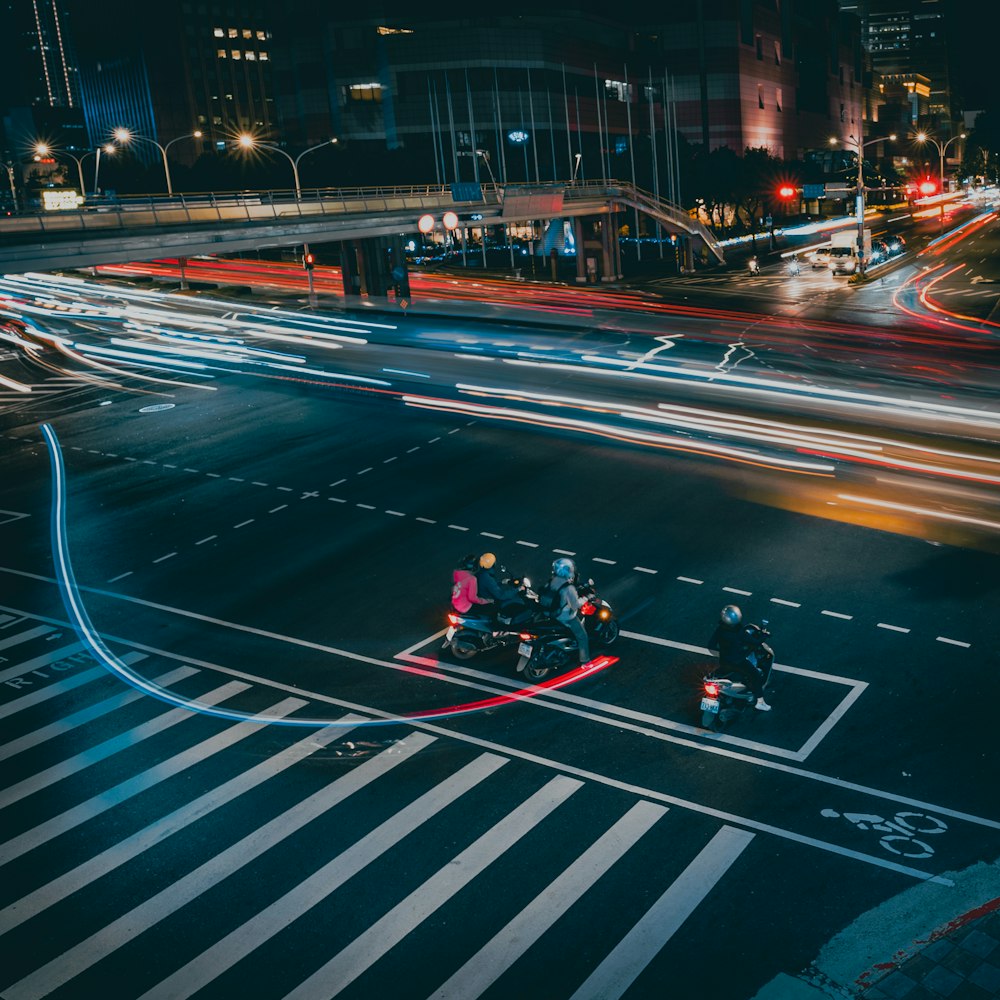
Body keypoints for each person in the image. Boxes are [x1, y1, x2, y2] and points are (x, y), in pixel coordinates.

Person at [708, 604, 771, 711]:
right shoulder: (739, 631)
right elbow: (754, 641)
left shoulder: (720, 629)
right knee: (755, 675)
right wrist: (764, 636)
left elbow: (711, 645)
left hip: (724, 661)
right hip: (738, 662)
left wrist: (724, 652)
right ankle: (760, 702)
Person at [546, 557, 590, 665]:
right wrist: (586, 598)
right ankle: (585, 661)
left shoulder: (551, 582)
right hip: (564, 617)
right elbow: (575, 606)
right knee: (583, 636)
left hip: (549, 614)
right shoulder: (568, 588)